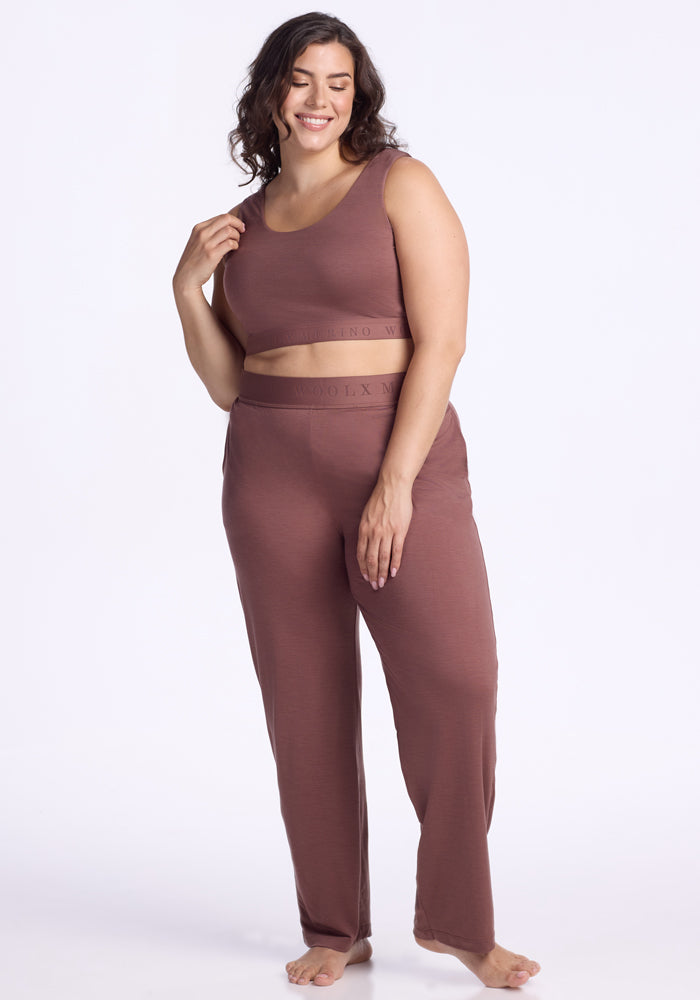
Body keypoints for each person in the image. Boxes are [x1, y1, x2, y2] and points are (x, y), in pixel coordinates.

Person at [172, 11, 541, 990]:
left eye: (337, 82)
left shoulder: (398, 183)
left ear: (358, 95)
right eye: (301, 80)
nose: (319, 99)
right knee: (304, 702)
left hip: (399, 455)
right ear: (270, 93)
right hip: (269, 469)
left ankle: (459, 923)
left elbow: (443, 341)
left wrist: (395, 484)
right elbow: (230, 384)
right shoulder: (239, 226)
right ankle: (335, 925)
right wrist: (187, 292)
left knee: (457, 681)